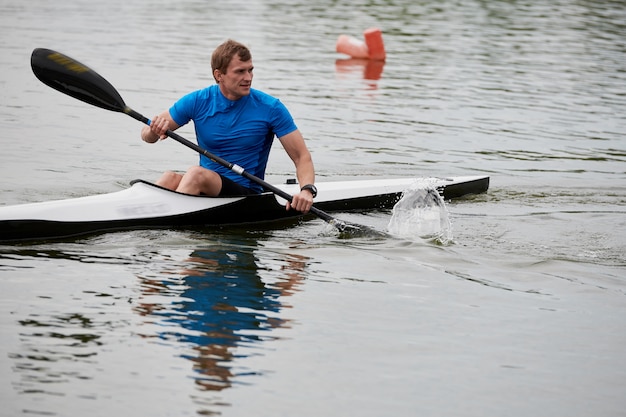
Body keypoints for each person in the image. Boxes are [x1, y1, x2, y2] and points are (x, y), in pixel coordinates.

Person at [141, 39, 316, 213]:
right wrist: (153, 131)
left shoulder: (270, 108)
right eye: (240, 71)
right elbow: (146, 135)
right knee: (168, 177)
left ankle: (167, 229)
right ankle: (142, 223)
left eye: (250, 70)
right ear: (219, 75)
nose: (248, 78)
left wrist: (307, 190)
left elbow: (301, 157)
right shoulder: (198, 101)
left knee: (195, 174)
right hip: (206, 185)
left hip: (246, 192)